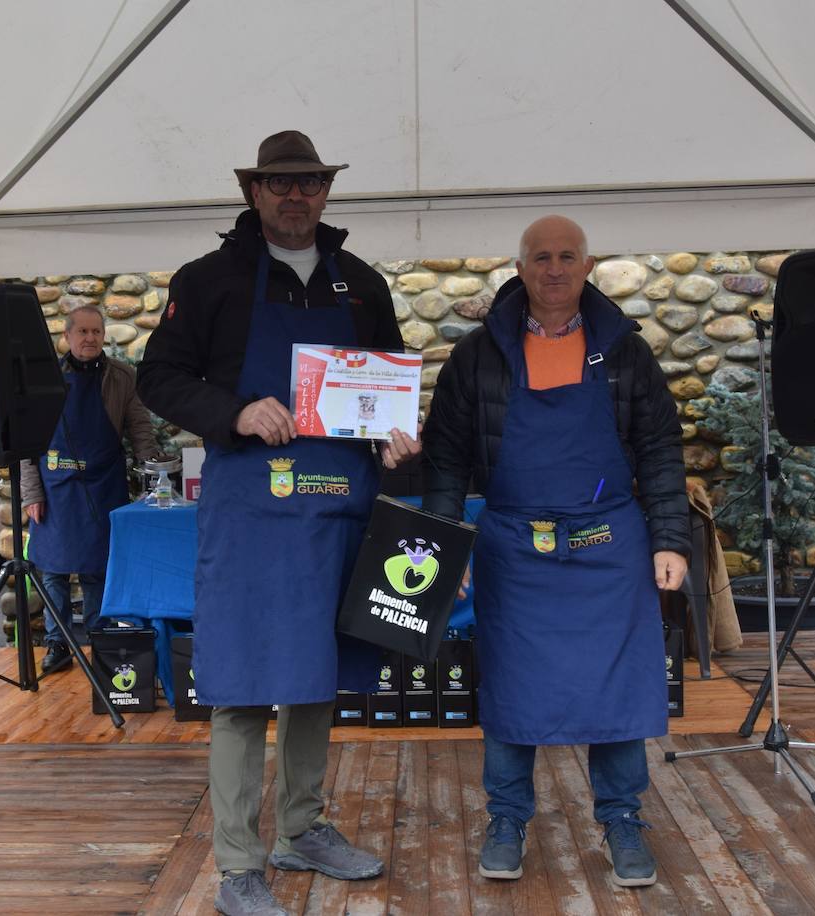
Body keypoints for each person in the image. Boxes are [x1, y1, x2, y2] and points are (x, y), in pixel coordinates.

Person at [137, 130, 420, 916]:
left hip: (337, 508)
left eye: (310, 183)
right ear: (254, 190)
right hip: (251, 513)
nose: (297, 196)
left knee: (316, 675)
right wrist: (233, 411)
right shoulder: (207, 282)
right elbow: (159, 376)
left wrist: (397, 440)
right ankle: (238, 863)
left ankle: (304, 828)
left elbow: (387, 387)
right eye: (281, 183)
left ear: (325, 192)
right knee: (239, 683)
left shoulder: (361, 286)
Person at [421, 216, 690, 888]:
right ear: (520, 269)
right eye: (540, 257)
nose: (554, 268)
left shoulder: (626, 352)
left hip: (609, 545)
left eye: (567, 256)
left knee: (618, 687)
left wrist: (671, 540)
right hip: (513, 546)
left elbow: (660, 450)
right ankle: (507, 819)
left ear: (588, 265)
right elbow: (446, 461)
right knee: (512, 687)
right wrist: (445, 546)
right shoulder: (477, 356)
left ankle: (623, 820)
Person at [19, 305, 160, 673]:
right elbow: (25, 443)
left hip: (102, 486)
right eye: (82, 332)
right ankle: (58, 644)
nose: (90, 338)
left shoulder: (122, 377)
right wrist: (32, 493)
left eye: (96, 332)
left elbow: (140, 429)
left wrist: (154, 474)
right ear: (67, 336)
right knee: (52, 572)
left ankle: (101, 644)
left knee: (97, 571)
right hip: (54, 490)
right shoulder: (44, 379)